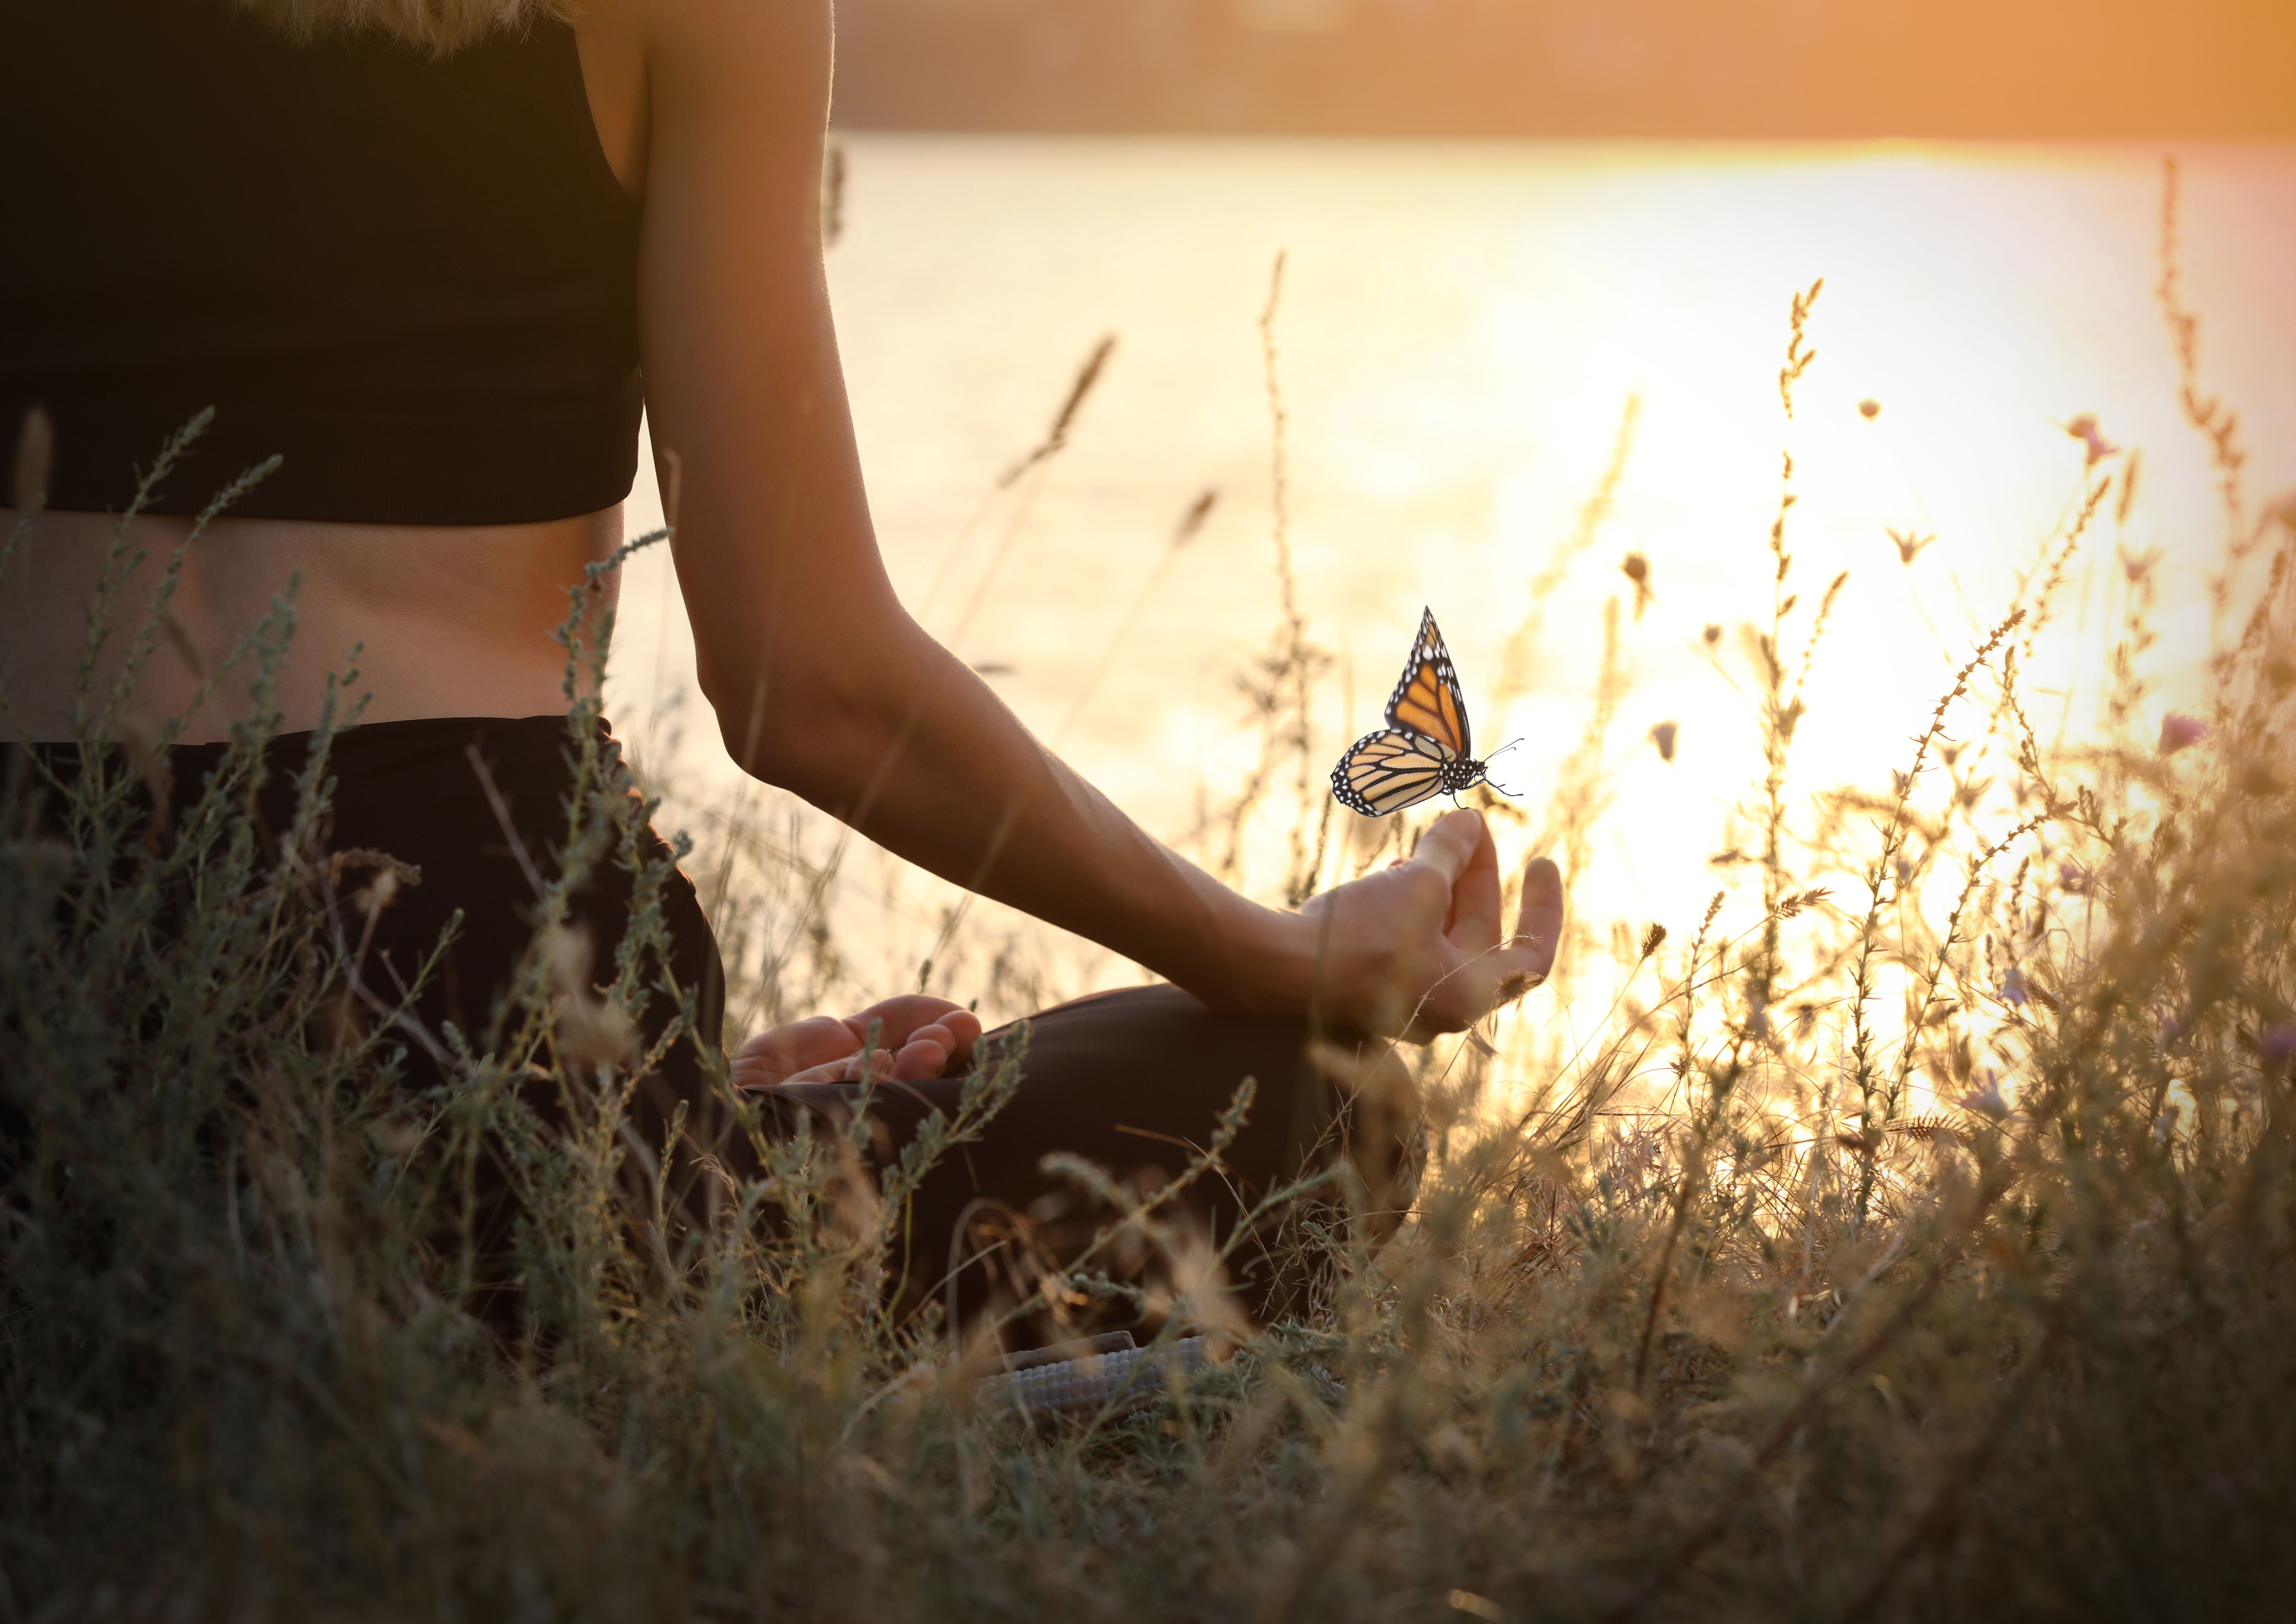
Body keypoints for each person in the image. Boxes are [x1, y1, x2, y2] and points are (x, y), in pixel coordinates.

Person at [0, 0, 1565, 1335]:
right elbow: (807, 684)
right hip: (482, 995)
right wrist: (1274, 959)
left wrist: (685, 1087)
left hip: (43, 976)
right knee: (1308, 1115)